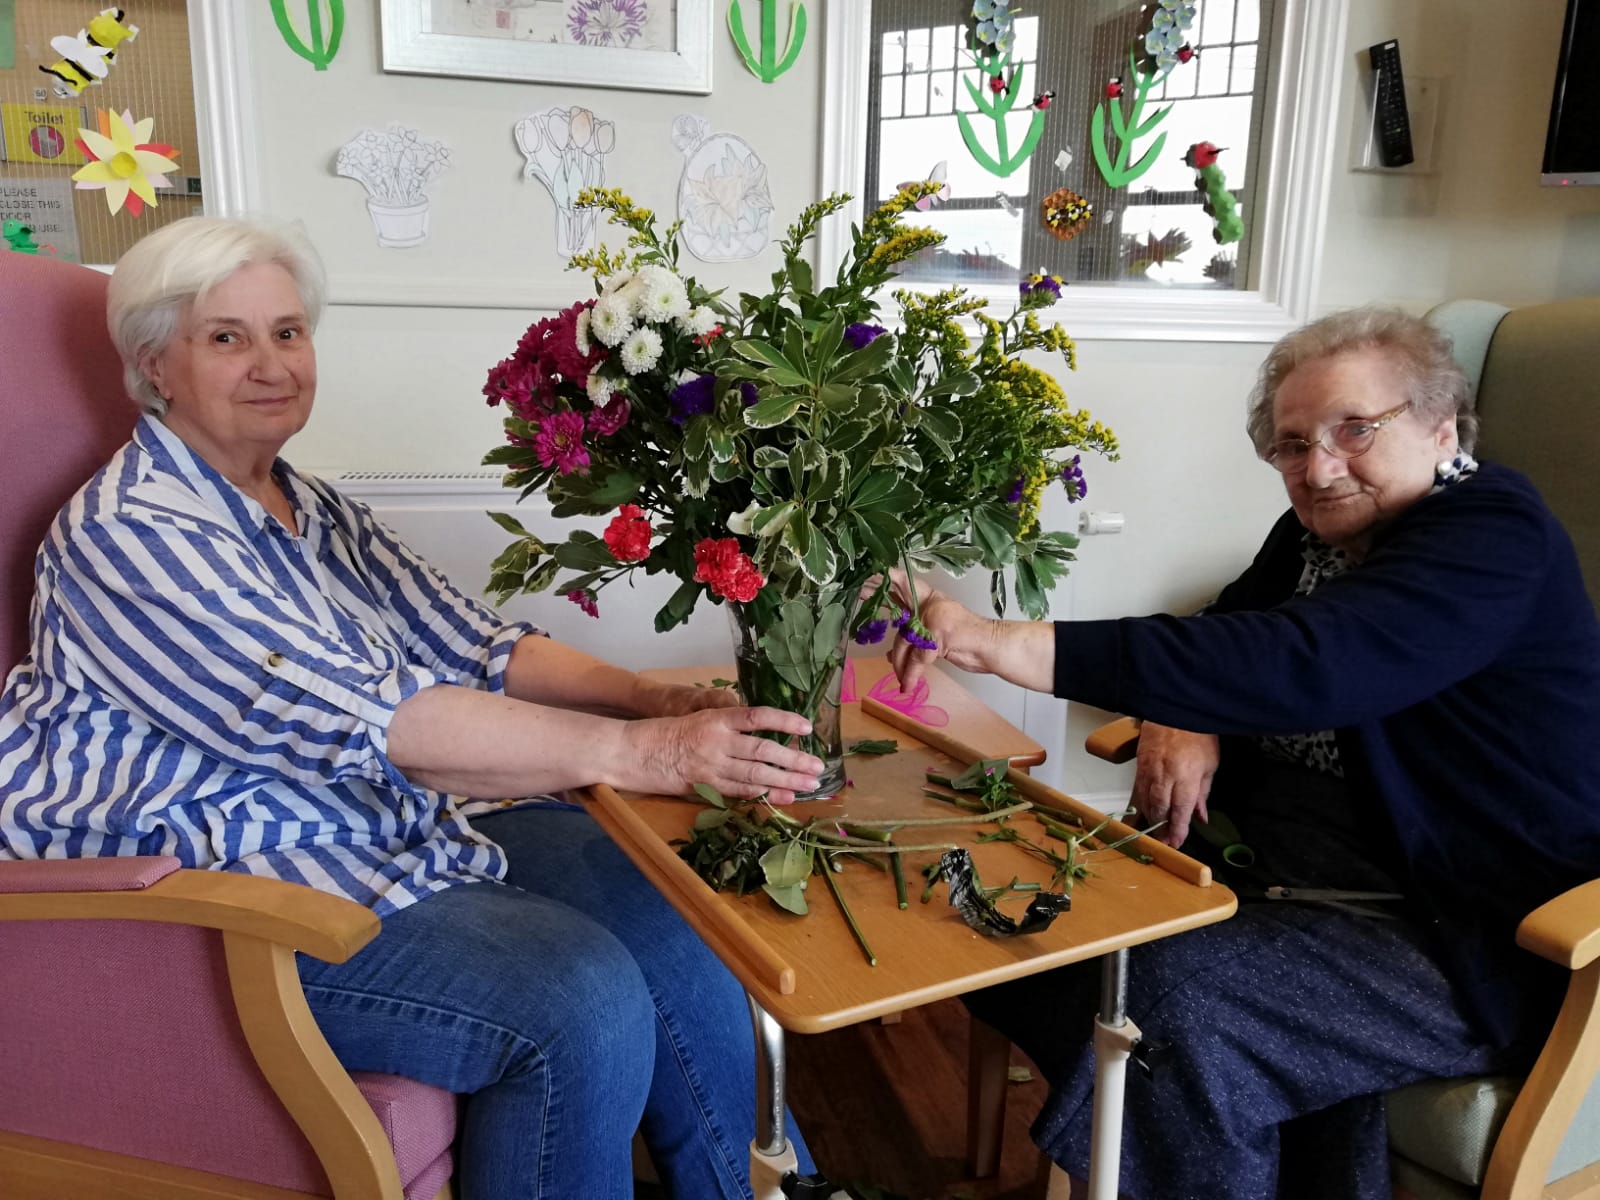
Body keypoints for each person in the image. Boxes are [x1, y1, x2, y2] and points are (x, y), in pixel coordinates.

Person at [0, 215, 826, 1200]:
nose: (272, 364)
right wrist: (649, 750)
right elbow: (382, 726)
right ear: (154, 365)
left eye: (288, 332)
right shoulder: (134, 535)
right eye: (226, 337)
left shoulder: (307, 506)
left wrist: (650, 695)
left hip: (370, 830)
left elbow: (478, 647)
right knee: (578, 994)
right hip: (219, 900)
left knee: (657, 899)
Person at [877, 307, 1600, 1200]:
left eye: (1355, 429)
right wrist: (1189, 714)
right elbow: (1232, 632)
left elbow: (1312, 660)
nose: (1318, 468)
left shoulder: (1494, 536)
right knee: (1025, 932)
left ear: (1441, 429)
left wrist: (999, 643)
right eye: (1293, 445)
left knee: (1166, 1011)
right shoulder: (1315, 538)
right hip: (1288, 872)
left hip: (1456, 926)